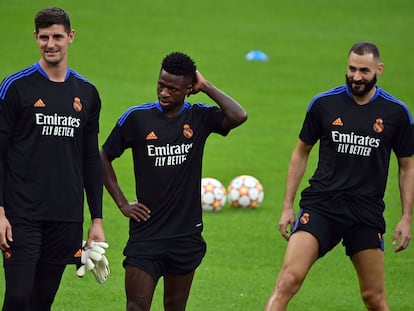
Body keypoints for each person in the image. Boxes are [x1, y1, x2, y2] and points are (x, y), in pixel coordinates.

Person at [264, 41, 414, 311]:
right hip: (322, 205)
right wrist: (287, 206)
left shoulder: (396, 113)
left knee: (374, 298)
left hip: (365, 212)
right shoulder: (324, 104)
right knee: (287, 281)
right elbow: (301, 153)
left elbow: (407, 166)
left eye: (364, 71)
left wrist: (406, 216)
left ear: (379, 69)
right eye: (352, 69)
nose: (357, 77)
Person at [100, 51, 247, 311]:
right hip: (146, 235)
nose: (164, 93)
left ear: (189, 89)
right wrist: (123, 204)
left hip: (185, 235)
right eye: (161, 85)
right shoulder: (137, 118)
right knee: (136, 307)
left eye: (173, 89)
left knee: (175, 308)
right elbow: (102, 156)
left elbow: (238, 116)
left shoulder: (199, 117)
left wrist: (207, 86)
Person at [0, 7, 106, 311]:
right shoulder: (15, 87)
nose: (51, 44)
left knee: (43, 299)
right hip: (22, 214)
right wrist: (0, 211)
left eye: (57, 36)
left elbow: (90, 159)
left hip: (65, 216)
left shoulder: (87, 93)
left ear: (70, 37)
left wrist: (96, 220)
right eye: (44, 37)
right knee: (18, 297)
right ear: (35, 38)